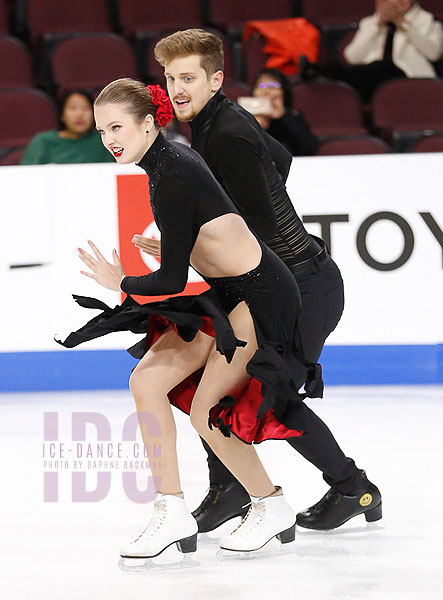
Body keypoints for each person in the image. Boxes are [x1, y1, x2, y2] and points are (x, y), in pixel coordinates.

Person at [58, 79, 327, 557]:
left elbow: (168, 280)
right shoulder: (165, 165)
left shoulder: (172, 175)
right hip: (227, 291)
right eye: (102, 131)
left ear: (147, 123)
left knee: (208, 412)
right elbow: (207, 234)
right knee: (146, 382)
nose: (109, 139)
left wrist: (118, 280)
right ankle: (171, 510)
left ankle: (270, 503)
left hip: (261, 296)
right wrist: (183, 247)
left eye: (117, 127)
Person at [141, 28, 382, 534]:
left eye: (188, 77)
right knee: (217, 384)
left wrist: (186, 245)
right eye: (170, 77)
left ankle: (352, 488)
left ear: (216, 79)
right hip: (272, 283)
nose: (178, 87)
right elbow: (281, 160)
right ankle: (229, 489)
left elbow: (255, 226)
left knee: (272, 392)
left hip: (300, 286)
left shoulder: (224, 134)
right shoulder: (214, 124)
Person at [300, 0, 443, 102]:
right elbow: (351, 57)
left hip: (410, 79)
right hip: (371, 82)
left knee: (382, 66)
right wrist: (377, 24)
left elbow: (433, 53)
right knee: (371, 69)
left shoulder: (427, 21)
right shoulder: (370, 23)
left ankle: (324, 74)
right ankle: (320, 73)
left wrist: (402, 23)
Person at [21, 90, 114, 165]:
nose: (79, 114)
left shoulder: (104, 140)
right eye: (73, 108)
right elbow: (27, 176)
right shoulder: (43, 142)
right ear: (62, 115)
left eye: (85, 108)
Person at [251, 68, 318, 156]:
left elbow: (309, 149)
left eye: (273, 86)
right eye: (261, 86)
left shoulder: (293, 117)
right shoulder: (244, 117)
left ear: (284, 93)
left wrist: (283, 116)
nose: (266, 91)